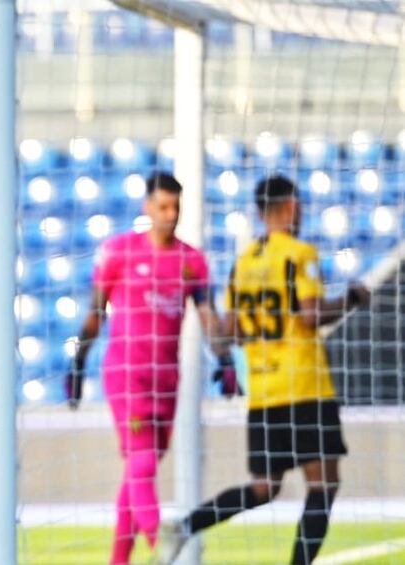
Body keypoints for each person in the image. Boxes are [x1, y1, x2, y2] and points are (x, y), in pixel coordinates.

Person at [153, 175, 370, 565]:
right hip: (304, 386)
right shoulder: (298, 254)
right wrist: (351, 298)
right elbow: (310, 314)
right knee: (323, 485)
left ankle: (185, 527)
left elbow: (225, 334)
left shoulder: (244, 263)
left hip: (264, 393)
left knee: (263, 488)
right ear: (290, 207)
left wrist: (216, 343)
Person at [65, 172, 233, 565]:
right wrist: (78, 361)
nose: (170, 214)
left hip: (167, 379)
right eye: (162, 206)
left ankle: (119, 562)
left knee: (138, 471)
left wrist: (224, 360)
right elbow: (96, 312)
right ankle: (163, 540)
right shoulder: (119, 252)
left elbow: (208, 317)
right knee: (140, 461)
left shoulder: (192, 261)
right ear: (147, 207)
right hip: (126, 373)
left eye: (175, 206)